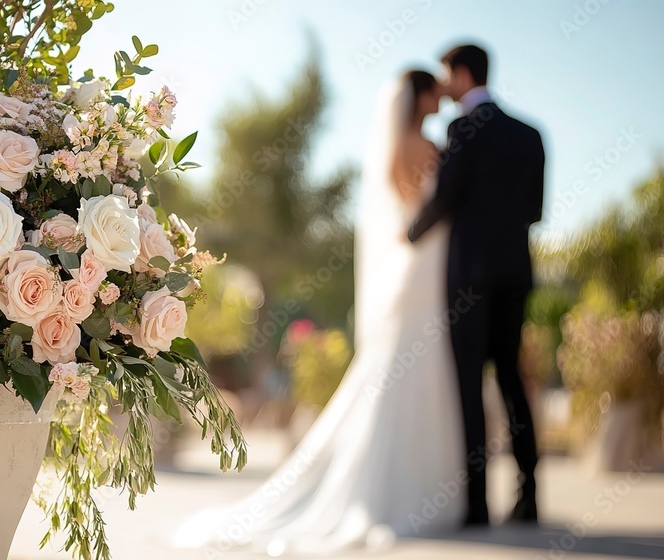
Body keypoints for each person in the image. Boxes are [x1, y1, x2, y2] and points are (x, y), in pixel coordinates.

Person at [174, 69, 466, 555]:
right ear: (420, 97)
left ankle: (405, 488)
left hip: (414, 273)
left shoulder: (399, 145)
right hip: (424, 274)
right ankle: (412, 492)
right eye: (434, 90)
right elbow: (428, 208)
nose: (441, 97)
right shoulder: (422, 146)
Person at [408, 44, 545, 526]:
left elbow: (445, 197)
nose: (444, 86)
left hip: (468, 277)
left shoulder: (461, 130)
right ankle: (529, 497)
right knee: (511, 378)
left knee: (470, 384)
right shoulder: (532, 135)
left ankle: (477, 504)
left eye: (447, 75)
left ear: (463, 75)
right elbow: (535, 211)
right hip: (515, 273)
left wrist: (409, 234)